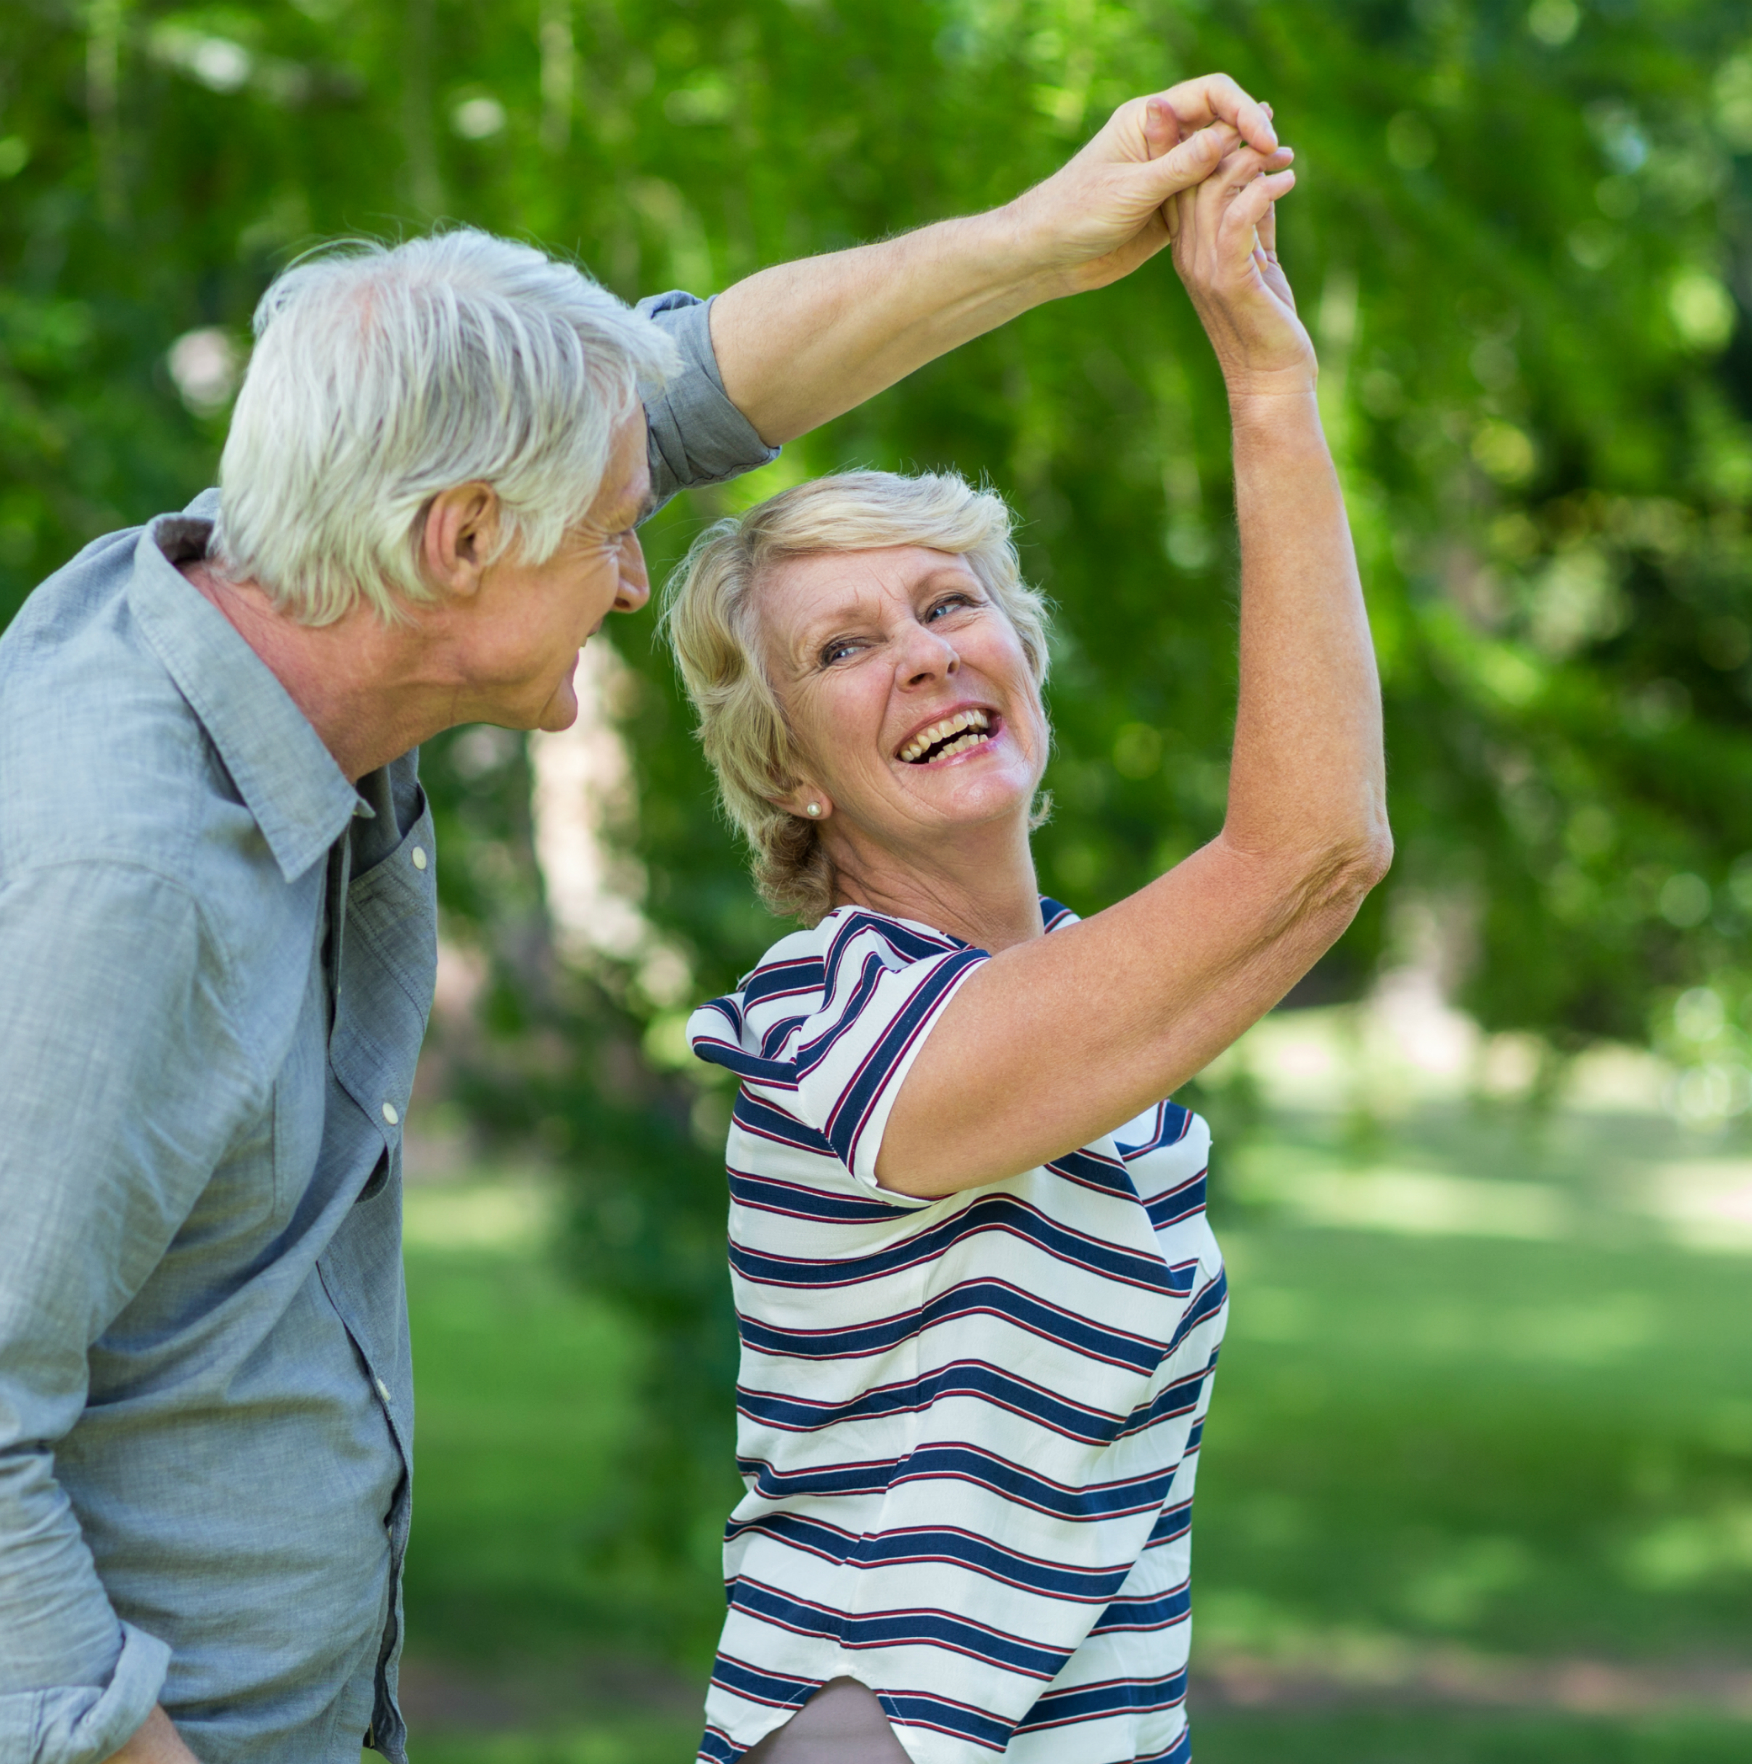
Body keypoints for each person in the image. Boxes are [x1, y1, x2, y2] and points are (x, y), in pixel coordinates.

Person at [0, 78, 1298, 1764]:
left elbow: (698, 384)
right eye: (607, 532)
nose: (637, 573)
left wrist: (1037, 240)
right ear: (460, 544)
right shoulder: (119, 881)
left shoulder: (285, 587)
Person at [658, 134, 1388, 1764]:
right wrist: (1266, 379)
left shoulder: (1101, 1041)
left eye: (949, 605)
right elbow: (1313, 852)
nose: (921, 658)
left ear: (1024, 659)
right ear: (787, 767)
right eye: (846, 647)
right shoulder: (827, 1022)